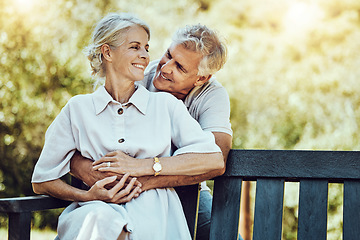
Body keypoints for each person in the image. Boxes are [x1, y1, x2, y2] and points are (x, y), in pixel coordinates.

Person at [31, 13, 224, 240]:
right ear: (107, 52)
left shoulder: (167, 105)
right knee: (102, 221)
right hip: (96, 210)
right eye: (135, 47)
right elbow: (42, 180)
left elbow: (213, 158)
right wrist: (87, 196)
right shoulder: (78, 108)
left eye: (146, 48)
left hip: (156, 214)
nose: (146, 56)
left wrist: (140, 166)